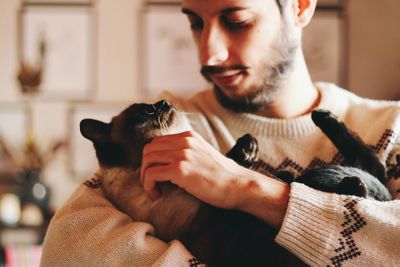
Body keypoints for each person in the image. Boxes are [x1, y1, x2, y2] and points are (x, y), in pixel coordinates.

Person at [41, 0, 400, 266]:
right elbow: (67, 246)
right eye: (196, 23)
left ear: (300, 7)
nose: (208, 54)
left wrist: (245, 188)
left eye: (236, 20)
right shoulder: (166, 126)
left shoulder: (390, 129)